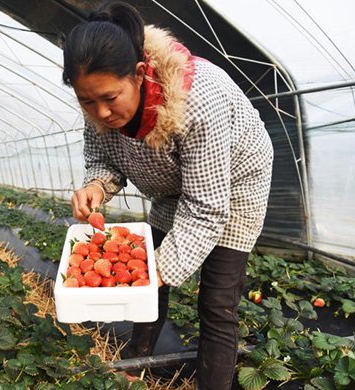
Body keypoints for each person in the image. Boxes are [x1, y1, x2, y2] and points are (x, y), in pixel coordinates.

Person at [64, 2, 273, 389]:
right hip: (174, 185)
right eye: (87, 101)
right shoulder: (99, 106)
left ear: (141, 74)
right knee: (149, 275)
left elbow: (207, 208)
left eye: (110, 98)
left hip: (235, 185)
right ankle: (133, 368)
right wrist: (96, 185)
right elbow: (103, 156)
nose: (101, 112)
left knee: (215, 303)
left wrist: (156, 271)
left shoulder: (196, 103)